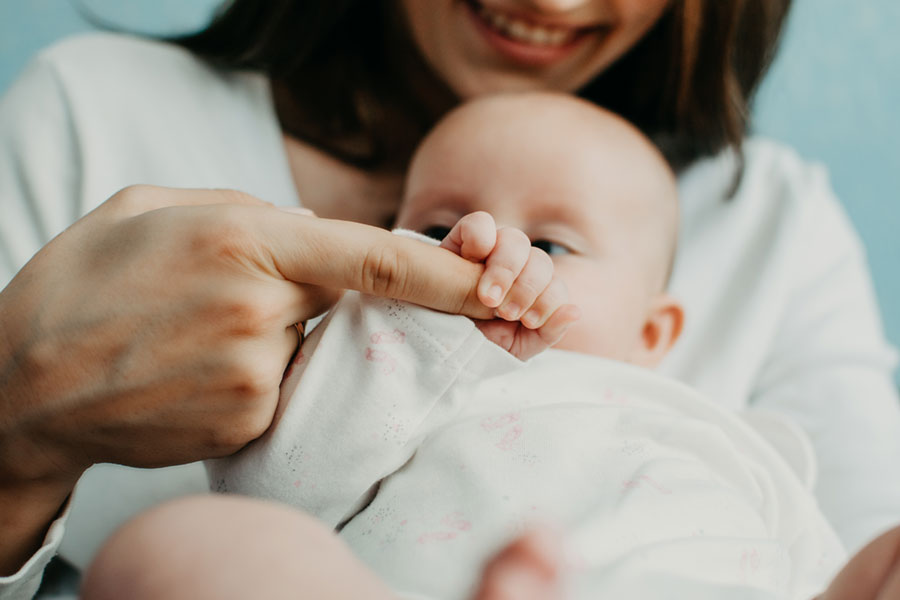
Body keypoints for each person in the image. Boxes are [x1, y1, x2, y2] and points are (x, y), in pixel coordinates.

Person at [1, 0, 898, 597]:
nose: (485, 252)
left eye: (547, 246)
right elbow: (281, 487)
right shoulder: (379, 357)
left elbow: (813, 545)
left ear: (658, 329)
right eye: (434, 234)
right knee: (177, 547)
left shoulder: (722, 406)